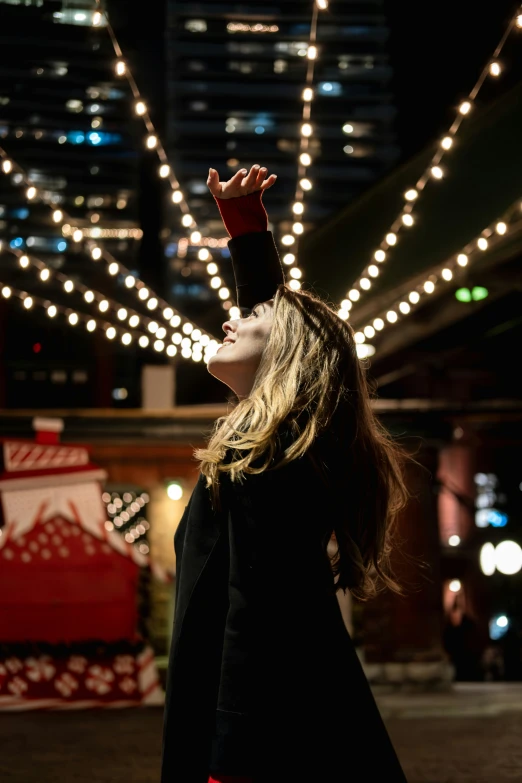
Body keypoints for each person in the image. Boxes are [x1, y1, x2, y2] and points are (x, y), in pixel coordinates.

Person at [161, 165, 409, 783]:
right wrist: (245, 227)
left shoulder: (272, 460)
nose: (231, 317)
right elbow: (280, 325)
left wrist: (229, 757)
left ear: (285, 360)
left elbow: (257, 611)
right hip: (293, 718)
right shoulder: (281, 448)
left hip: (263, 735)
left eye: (250, 317)